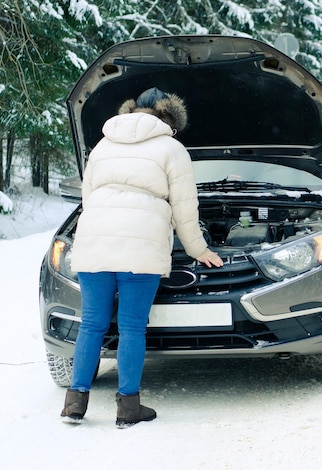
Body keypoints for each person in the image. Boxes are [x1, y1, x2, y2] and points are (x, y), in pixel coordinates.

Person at [60, 87, 223, 428]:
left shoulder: (102, 146)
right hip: (141, 244)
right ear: (169, 119)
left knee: (91, 325)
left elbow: (88, 199)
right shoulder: (171, 148)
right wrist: (199, 250)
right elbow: (184, 209)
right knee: (132, 327)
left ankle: (75, 403)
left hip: (95, 241)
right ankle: (128, 408)